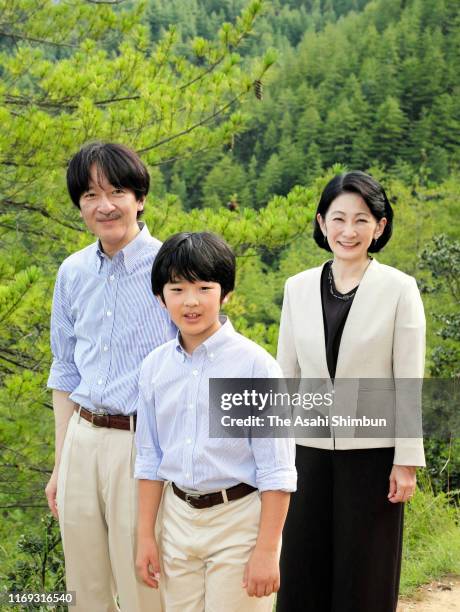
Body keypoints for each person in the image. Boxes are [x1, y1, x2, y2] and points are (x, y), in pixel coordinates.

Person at [275, 171, 426, 612]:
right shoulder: (297, 287)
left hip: (374, 455)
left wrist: (406, 462)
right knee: (302, 569)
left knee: (365, 575)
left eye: (362, 220)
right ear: (322, 223)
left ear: (379, 227)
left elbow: (408, 380)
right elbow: (287, 374)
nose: (348, 230)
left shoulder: (400, 289)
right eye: (338, 218)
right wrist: (272, 454)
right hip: (306, 451)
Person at [134, 232, 297, 612]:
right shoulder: (155, 368)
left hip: (238, 520)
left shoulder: (254, 367)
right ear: (161, 298)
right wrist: (145, 536)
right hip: (177, 521)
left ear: (226, 294)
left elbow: (276, 470)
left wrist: (268, 550)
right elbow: (149, 459)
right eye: (177, 289)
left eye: (204, 287)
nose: (190, 301)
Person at [45, 142, 174, 612]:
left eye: (116, 191)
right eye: (90, 195)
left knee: (144, 583)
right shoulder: (72, 272)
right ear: (80, 205)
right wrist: (62, 463)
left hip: (139, 444)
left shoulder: (170, 267)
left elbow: (207, 357)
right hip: (81, 438)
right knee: (83, 587)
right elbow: (64, 370)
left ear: (139, 198)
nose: (104, 205)